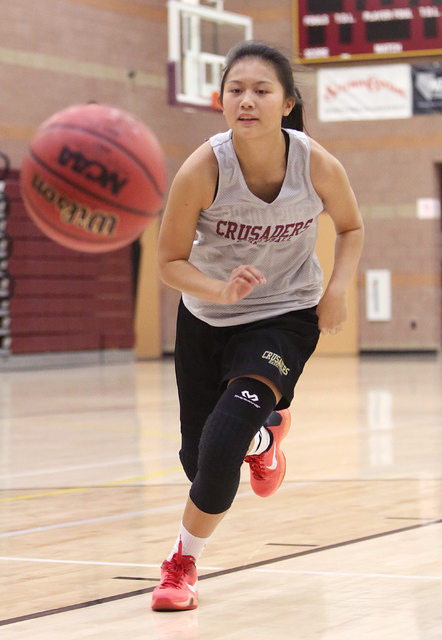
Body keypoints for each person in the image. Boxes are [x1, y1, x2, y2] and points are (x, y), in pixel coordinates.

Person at [151, 40, 364, 611]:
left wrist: (337, 290)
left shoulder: (314, 163)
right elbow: (168, 261)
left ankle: (180, 564)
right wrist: (217, 288)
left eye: (262, 90)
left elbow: (351, 228)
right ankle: (266, 436)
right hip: (207, 318)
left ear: (288, 103)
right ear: (221, 101)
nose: (247, 100)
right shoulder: (202, 168)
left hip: (284, 314)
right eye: (236, 90)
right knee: (198, 464)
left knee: (222, 445)